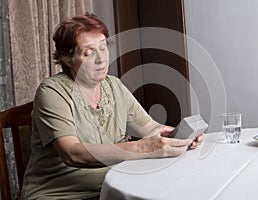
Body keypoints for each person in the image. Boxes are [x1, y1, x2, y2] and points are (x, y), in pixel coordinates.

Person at [21, 13, 205, 200]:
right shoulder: (52, 91)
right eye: (89, 52)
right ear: (67, 58)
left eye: (103, 47)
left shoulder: (114, 86)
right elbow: (71, 153)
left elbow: (150, 128)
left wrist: (179, 136)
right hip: (60, 194)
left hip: (112, 187)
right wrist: (142, 148)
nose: (101, 59)